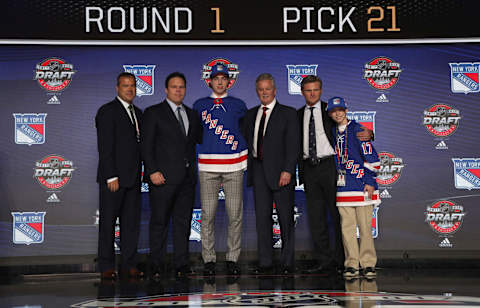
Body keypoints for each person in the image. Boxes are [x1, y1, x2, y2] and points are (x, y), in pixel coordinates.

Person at [297, 75, 372, 274]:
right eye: (308, 90)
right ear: (302, 92)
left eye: (315, 90)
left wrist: (370, 134)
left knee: (339, 217)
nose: (312, 93)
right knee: (317, 217)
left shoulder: (330, 109)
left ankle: (343, 260)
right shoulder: (296, 115)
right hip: (309, 168)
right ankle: (323, 260)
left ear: (320, 91)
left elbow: (349, 127)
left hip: (332, 167)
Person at [142, 72, 202, 279]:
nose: (178, 90)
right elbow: (146, 146)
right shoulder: (153, 112)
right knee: (159, 222)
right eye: (174, 87)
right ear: (166, 90)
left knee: (183, 223)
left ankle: (181, 264)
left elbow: (192, 144)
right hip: (162, 179)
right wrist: (152, 171)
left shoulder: (192, 114)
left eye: (182, 87)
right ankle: (156, 264)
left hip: (187, 179)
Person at [193, 62, 247, 276]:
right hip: (207, 167)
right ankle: (209, 260)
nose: (220, 81)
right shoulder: (199, 105)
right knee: (208, 215)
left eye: (223, 78)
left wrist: (243, 160)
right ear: (210, 81)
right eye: (216, 78)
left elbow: (245, 132)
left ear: (229, 81)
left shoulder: (238, 105)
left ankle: (232, 258)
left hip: (233, 166)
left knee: (235, 215)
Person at [242, 73, 300, 274]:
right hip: (258, 170)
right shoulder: (250, 115)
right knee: (262, 219)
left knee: (285, 219)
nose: (264, 92)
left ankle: (287, 264)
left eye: (268, 89)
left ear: (274, 91)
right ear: (257, 91)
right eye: (260, 89)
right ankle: (265, 263)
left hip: (281, 173)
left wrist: (288, 170)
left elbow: (294, 145)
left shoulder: (288, 113)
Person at [95, 72, 143, 279]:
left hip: (133, 178)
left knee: (130, 224)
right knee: (108, 223)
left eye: (132, 85)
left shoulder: (139, 113)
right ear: (117, 88)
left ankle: (128, 264)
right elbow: (105, 147)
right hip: (114, 179)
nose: (130, 89)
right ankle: (106, 266)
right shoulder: (107, 111)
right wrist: (111, 175)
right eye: (125, 86)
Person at [327, 96, 381, 279]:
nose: (337, 114)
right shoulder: (333, 132)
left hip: (362, 186)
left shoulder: (358, 130)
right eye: (334, 111)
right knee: (347, 228)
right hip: (343, 188)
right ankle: (351, 264)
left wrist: (370, 181)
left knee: (365, 228)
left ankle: (368, 264)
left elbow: (373, 159)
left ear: (346, 110)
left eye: (340, 110)